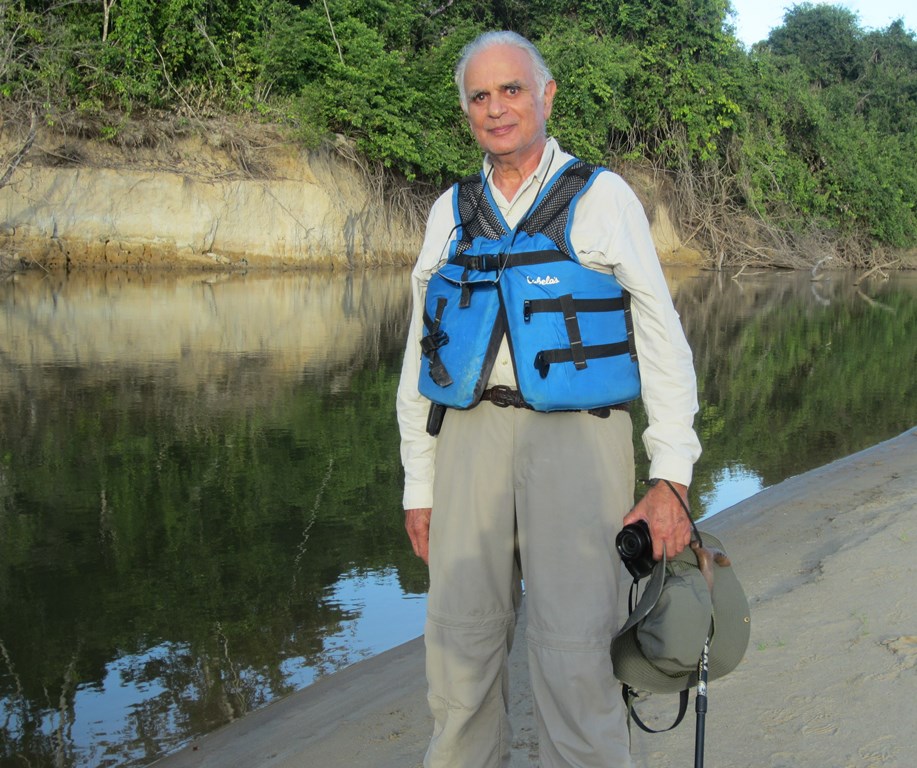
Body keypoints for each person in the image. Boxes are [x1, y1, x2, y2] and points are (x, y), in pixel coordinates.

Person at [395, 30, 702, 768]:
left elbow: (661, 336)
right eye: (479, 95)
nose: (496, 109)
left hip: (577, 439)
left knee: (575, 657)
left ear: (545, 95)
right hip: (467, 436)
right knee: (458, 657)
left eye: (511, 90)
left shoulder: (601, 198)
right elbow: (420, 354)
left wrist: (671, 478)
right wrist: (419, 480)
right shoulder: (450, 210)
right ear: (465, 108)